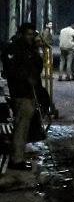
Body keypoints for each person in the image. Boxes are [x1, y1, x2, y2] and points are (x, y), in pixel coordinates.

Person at [0, 23, 43, 170]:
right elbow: (12, 70)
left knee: (24, 127)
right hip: (20, 92)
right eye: (29, 34)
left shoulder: (28, 48)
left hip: (28, 92)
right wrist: (26, 78)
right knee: (21, 127)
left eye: (33, 34)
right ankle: (16, 159)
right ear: (22, 34)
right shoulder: (14, 49)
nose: (31, 37)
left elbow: (37, 65)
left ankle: (18, 156)